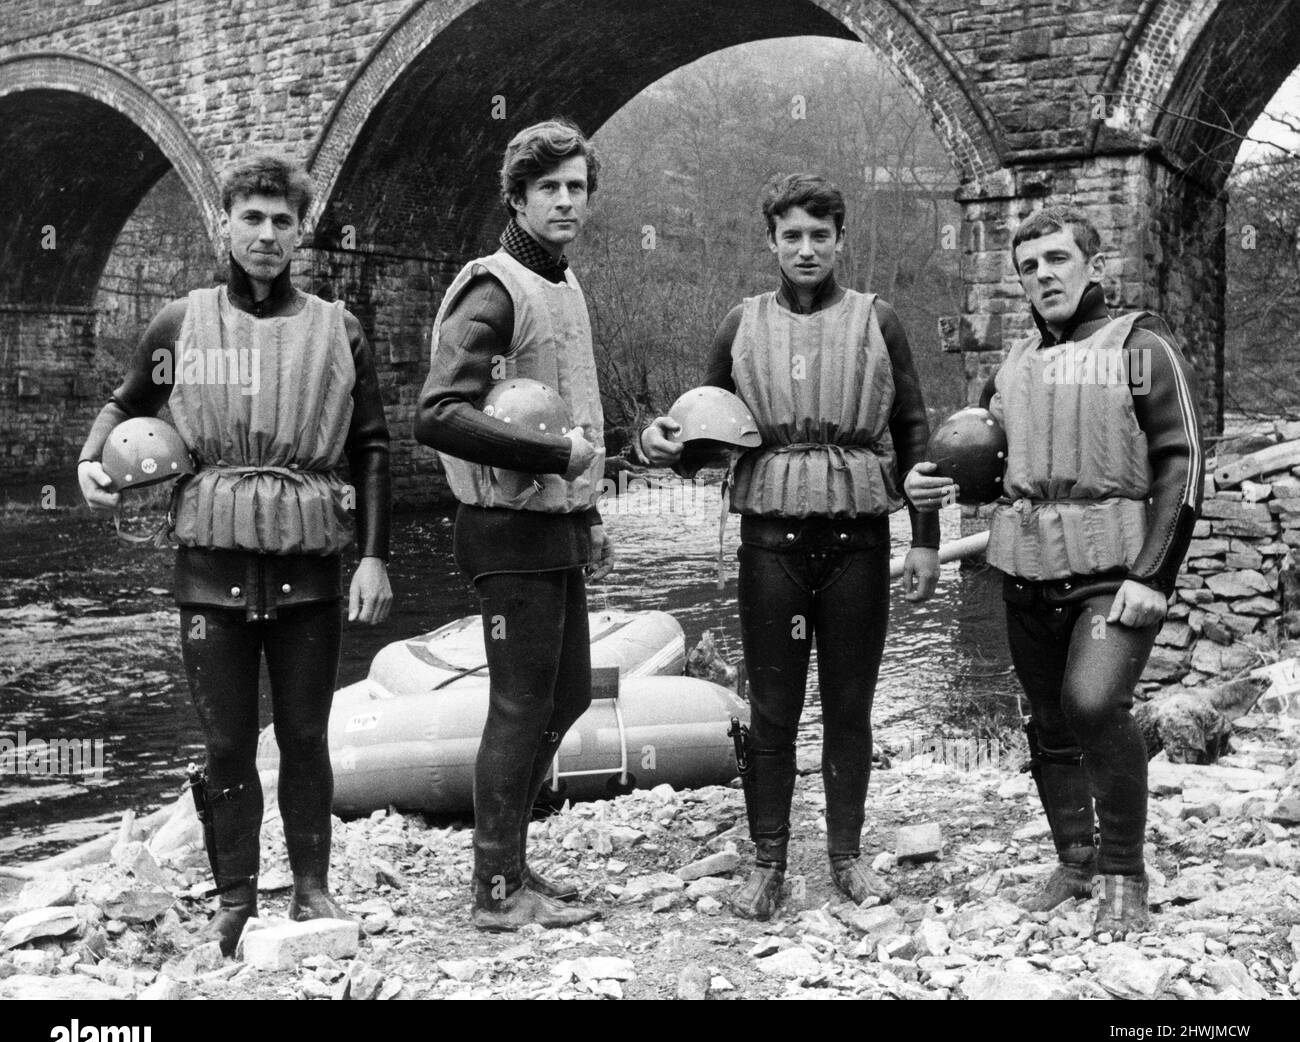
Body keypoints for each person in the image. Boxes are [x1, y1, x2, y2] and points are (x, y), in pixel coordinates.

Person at [78, 154, 393, 955]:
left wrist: (373, 557)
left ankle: (313, 885)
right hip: (211, 570)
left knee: (305, 735)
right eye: (251, 218)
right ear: (224, 223)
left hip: (311, 565)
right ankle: (235, 897)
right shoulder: (179, 325)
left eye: (282, 220)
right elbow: (126, 402)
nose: (266, 234)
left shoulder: (340, 327)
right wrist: (92, 459)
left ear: (301, 232)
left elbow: (373, 447)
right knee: (224, 744)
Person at [640, 174, 940, 921]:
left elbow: (913, 435)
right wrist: (656, 443)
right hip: (769, 543)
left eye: (820, 235)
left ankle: (845, 854)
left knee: (849, 706)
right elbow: (702, 434)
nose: (806, 249)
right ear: (771, 240)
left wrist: (927, 542)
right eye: (792, 235)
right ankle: (768, 860)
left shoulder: (881, 320)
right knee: (773, 708)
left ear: (839, 239)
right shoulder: (739, 324)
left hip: (859, 541)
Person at [905, 205, 1203, 937]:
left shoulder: (1142, 344)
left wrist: (1154, 575)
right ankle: (1075, 858)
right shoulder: (1011, 368)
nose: (1043, 274)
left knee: (1095, 703)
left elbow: (1183, 461)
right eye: (1029, 266)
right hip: (1025, 569)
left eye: (1059, 259)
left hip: (1114, 568)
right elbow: (978, 468)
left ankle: (1125, 871)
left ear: (1094, 267)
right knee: (1048, 720)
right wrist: (924, 494)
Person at [414, 120, 611, 931]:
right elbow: (438, 413)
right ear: (519, 197)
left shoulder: (561, 283)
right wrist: (550, 454)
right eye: (549, 189)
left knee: (562, 701)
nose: (566, 201)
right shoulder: (492, 288)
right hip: (504, 528)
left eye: (577, 188)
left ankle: (513, 861)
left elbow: (574, 416)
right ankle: (495, 891)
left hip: (554, 525)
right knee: (519, 705)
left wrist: (589, 508)